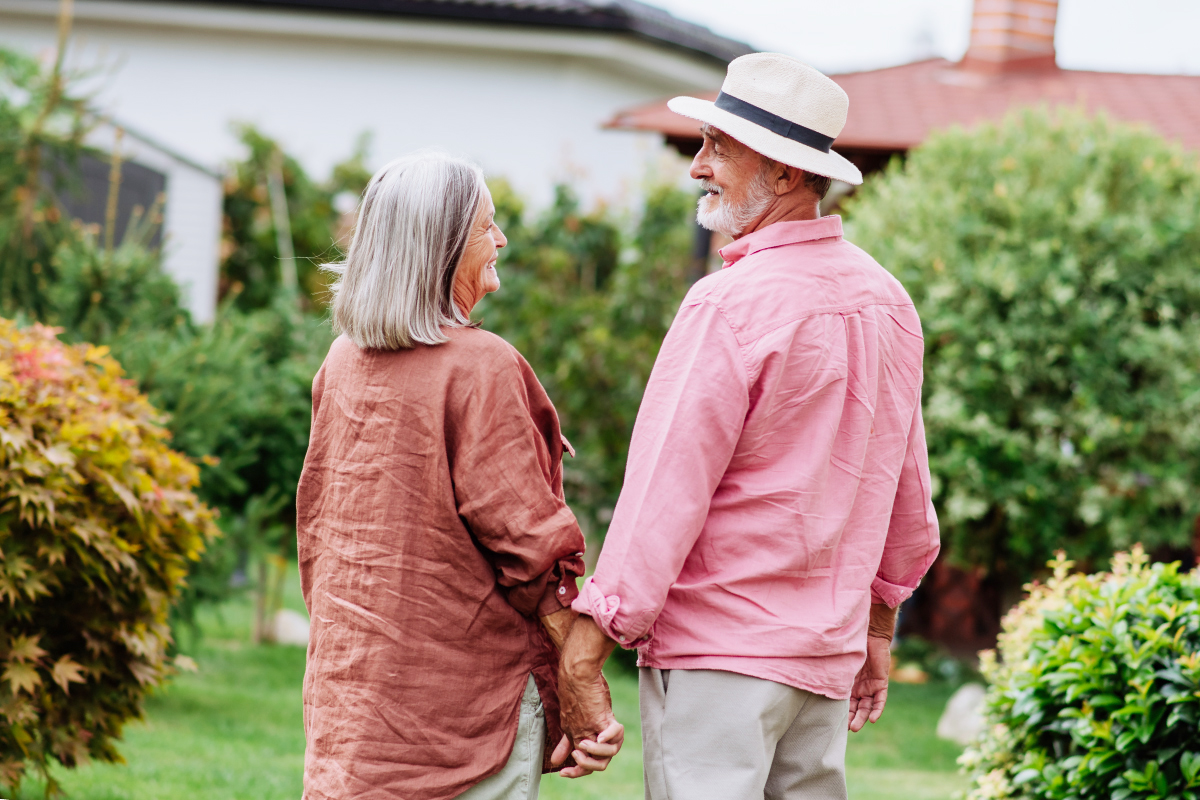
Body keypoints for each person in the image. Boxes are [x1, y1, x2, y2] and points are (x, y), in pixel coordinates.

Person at [556, 53, 941, 799]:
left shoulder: (726, 304)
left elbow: (666, 490)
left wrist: (589, 642)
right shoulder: (888, 300)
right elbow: (907, 490)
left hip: (718, 661)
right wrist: (878, 626)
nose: (699, 165)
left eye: (719, 148)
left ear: (788, 175)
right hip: (822, 664)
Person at [296, 152, 622, 800]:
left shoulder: (343, 363)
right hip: (460, 717)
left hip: (354, 708)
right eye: (486, 227)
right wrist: (582, 683)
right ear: (441, 246)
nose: (501, 240)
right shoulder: (481, 367)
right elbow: (531, 553)